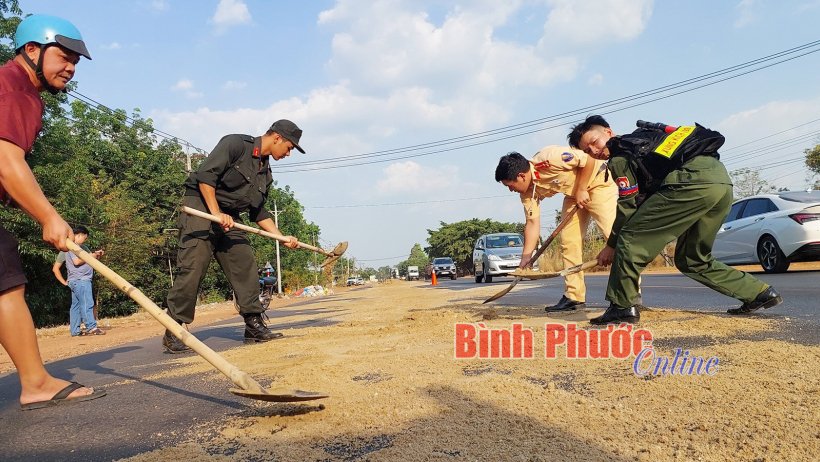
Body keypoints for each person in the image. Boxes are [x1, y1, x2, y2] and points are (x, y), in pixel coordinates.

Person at [567, 115, 783, 324]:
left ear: (608, 132)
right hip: (721, 183)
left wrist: (612, 245)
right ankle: (758, 293)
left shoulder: (621, 157)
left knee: (629, 239)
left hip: (689, 182)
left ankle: (621, 307)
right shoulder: (647, 139)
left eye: (594, 142)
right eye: (587, 151)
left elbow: (627, 206)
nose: (594, 151)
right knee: (692, 259)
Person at [0, 14, 105, 409]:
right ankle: (36, 383)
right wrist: (48, 216)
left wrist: (45, 214)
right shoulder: (15, 90)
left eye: (75, 61)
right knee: (6, 282)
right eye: (64, 57)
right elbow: (6, 161)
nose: (71, 68)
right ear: (32, 50)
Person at [162, 120, 303, 353]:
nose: (288, 154)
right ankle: (174, 329)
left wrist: (282, 237)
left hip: (229, 216)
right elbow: (205, 178)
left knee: (244, 262)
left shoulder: (265, 173)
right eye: (289, 148)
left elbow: (258, 212)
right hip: (201, 206)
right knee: (193, 267)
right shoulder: (236, 144)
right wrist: (216, 213)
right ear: (277, 137)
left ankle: (253, 324)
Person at [495, 147, 617, 312]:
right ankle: (574, 297)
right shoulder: (526, 193)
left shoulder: (550, 158)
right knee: (569, 242)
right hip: (573, 195)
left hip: (598, 182)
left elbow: (589, 159)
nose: (511, 190)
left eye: (510, 185)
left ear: (521, 176)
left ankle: (627, 297)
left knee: (613, 236)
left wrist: (582, 189)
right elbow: (532, 223)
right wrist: (526, 258)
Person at [55, 226, 105, 336]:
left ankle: (75, 331)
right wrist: (91, 255)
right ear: (79, 235)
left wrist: (95, 255)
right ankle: (91, 327)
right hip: (81, 280)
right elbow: (76, 262)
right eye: (84, 238)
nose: (84, 240)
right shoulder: (72, 247)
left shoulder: (76, 247)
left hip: (76, 280)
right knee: (87, 303)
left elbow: (87, 260)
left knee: (76, 306)